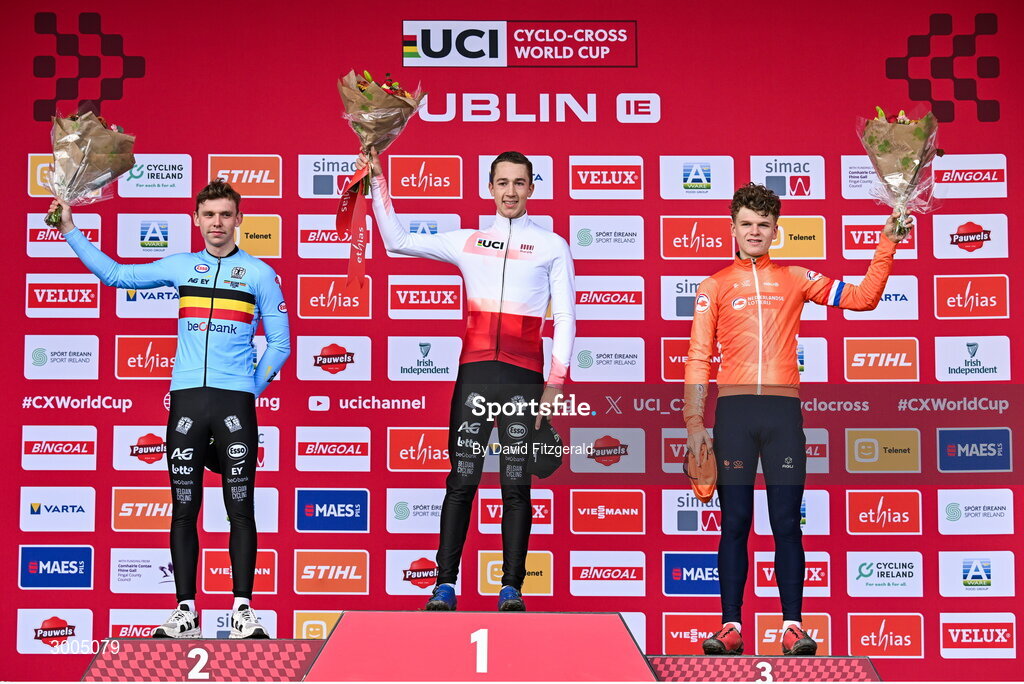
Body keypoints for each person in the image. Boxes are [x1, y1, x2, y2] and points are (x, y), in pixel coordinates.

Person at [49, 180, 290, 638]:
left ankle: (243, 611)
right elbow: (117, 276)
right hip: (186, 403)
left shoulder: (260, 274)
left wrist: (248, 390)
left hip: (234, 401)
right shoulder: (181, 266)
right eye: (209, 215)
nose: (217, 223)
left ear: (239, 220)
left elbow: (281, 343)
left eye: (225, 215)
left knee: (240, 508)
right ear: (196, 220)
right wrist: (71, 231)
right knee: (184, 508)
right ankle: (185, 612)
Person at [684, 183, 912, 656]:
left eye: (763, 225)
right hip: (734, 415)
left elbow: (864, 298)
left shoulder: (796, 277)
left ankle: (792, 627)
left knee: (786, 523)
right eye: (746, 224)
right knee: (734, 523)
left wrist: (887, 243)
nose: (754, 232)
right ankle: (730, 626)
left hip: (782, 415)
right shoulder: (713, 285)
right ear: (732, 228)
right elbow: (698, 358)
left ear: (776, 231)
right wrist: (694, 426)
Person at [357, 148, 575, 611]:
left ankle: (511, 588)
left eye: (519, 183)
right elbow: (396, 240)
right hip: (475, 376)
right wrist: (377, 180)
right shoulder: (469, 241)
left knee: (515, 485)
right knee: (461, 480)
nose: (511, 192)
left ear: (532, 188)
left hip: (523, 380)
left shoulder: (552, 245)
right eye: (503, 183)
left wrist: (556, 382)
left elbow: (566, 317)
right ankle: (444, 586)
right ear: (489, 188)